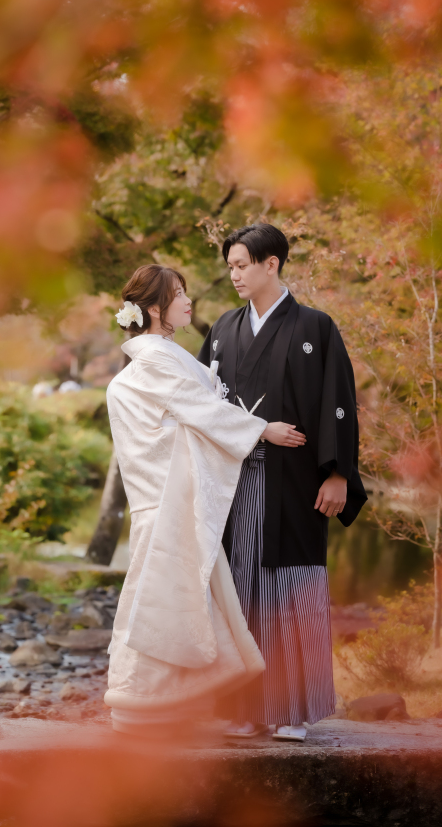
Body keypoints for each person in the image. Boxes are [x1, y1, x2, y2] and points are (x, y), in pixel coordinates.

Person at [103, 263, 308, 736]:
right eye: (178, 294)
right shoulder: (154, 358)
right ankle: (141, 702)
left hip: (168, 496)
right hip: (165, 496)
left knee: (174, 598)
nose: (188, 301)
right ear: (155, 308)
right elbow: (199, 408)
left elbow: (203, 402)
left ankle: (163, 706)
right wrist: (261, 429)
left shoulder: (159, 353)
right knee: (164, 600)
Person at [197, 224, 367, 741]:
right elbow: (204, 405)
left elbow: (336, 402)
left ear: (272, 264)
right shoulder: (224, 328)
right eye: (229, 267)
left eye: (242, 265)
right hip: (235, 480)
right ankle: (244, 710)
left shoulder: (316, 327)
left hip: (293, 483)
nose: (234, 275)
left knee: (291, 585)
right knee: (238, 587)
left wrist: (337, 473)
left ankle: (290, 709)